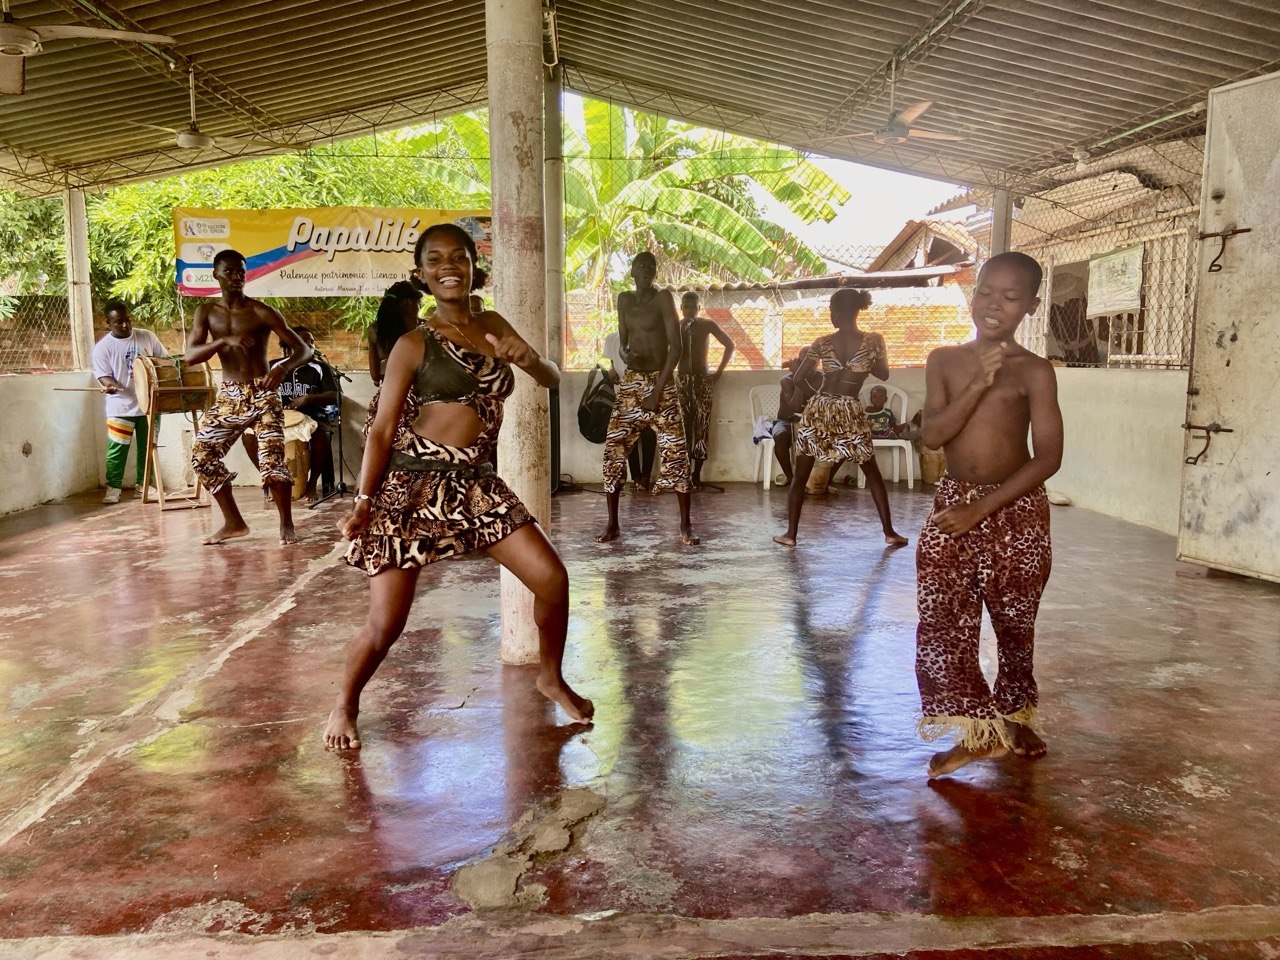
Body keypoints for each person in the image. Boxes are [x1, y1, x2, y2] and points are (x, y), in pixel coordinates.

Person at [324, 222, 593, 751]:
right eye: (436, 259)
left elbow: (552, 377)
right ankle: (345, 703)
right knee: (386, 626)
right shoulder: (412, 344)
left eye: (459, 257)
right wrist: (363, 501)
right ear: (421, 275)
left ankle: (550, 676)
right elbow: (380, 429)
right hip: (413, 487)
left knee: (552, 579)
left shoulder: (492, 323)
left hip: (475, 484)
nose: (448, 266)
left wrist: (529, 358)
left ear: (474, 266)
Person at [914, 251, 1063, 779]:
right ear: (972, 294)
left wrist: (983, 508)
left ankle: (1015, 716)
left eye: (1010, 295)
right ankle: (977, 731)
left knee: (1015, 623)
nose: (993, 304)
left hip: (1014, 510)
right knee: (942, 617)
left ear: (1031, 305)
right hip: (955, 504)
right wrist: (977, 382)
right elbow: (931, 435)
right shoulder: (945, 359)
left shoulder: (1035, 370)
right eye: (985, 291)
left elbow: (1048, 456)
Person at [185, 249, 314, 545]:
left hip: (263, 393)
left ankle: (286, 525)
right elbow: (190, 355)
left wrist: (282, 368)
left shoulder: (260, 311)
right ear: (216, 274)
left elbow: (303, 350)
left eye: (241, 272)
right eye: (230, 271)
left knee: (272, 460)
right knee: (202, 455)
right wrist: (223, 341)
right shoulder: (206, 313)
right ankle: (233, 523)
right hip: (229, 395)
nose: (237, 277)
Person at [772, 289, 908, 547]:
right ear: (858, 310)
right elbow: (883, 374)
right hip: (849, 410)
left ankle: (790, 534)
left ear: (836, 313)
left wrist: (813, 373)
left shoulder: (821, 342)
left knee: (801, 473)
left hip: (820, 409)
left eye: (831, 311)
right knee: (871, 471)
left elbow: (799, 378)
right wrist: (863, 363)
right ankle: (890, 532)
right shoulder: (874, 340)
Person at [596, 252, 697, 545]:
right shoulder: (624, 300)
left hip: (660, 382)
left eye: (651, 266)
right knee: (613, 451)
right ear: (631, 271)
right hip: (631, 383)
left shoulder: (663, 298)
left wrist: (656, 392)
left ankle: (686, 526)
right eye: (640, 265)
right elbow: (624, 343)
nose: (645, 270)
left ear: (655, 271)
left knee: (677, 450)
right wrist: (625, 354)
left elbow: (676, 349)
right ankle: (613, 524)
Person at [244, 326, 339, 500]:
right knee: (248, 436)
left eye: (311, 341)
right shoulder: (273, 366)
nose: (311, 344)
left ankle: (311, 486)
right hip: (277, 418)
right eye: (305, 341)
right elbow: (257, 393)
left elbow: (335, 395)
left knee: (323, 435)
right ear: (289, 344)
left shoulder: (320, 368)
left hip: (313, 416)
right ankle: (272, 480)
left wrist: (308, 399)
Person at [91, 299, 166, 504]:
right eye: (119, 322)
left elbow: (165, 361)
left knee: (149, 448)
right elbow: (103, 375)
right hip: (120, 407)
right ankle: (113, 488)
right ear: (108, 323)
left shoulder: (147, 337)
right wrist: (111, 384)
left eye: (127, 320)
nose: (125, 325)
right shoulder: (103, 348)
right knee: (117, 450)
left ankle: (144, 486)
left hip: (150, 404)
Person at [677, 292, 735, 488]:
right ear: (681, 308)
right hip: (683, 382)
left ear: (699, 308)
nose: (690, 311)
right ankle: (683, 473)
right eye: (686, 307)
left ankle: (696, 474)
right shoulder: (676, 327)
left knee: (701, 427)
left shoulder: (707, 325)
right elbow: (666, 352)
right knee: (683, 429)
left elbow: (730, 345)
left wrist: (719, 372)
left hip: (702, 381)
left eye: (694, 307)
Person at [603, 328, 656, 490]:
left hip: (646, 392)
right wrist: (611, 370)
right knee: (628, 436)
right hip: (624, 394)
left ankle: (646, 476)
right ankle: (636, 477)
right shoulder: (612, 337)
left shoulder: (646, 336)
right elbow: (611, 362)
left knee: (647, 433)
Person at [367, 280, 423, 385]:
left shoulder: (374, 329)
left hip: (389, 393)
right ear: (409, 303)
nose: (420, 307)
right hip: (420, 393)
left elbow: (375, 375)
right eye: (419, 303)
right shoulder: (423, 328)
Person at [770, 346, 809, 486]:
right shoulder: (787, 380)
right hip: (786, 421)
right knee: (780, 436)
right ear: (799, 362)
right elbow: (796, 407)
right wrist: (799, 378)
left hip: (810, 422)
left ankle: (825, 480)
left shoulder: (819, 379)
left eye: (812, 362)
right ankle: (791, 478)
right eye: (805, 361)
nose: (808, 365)